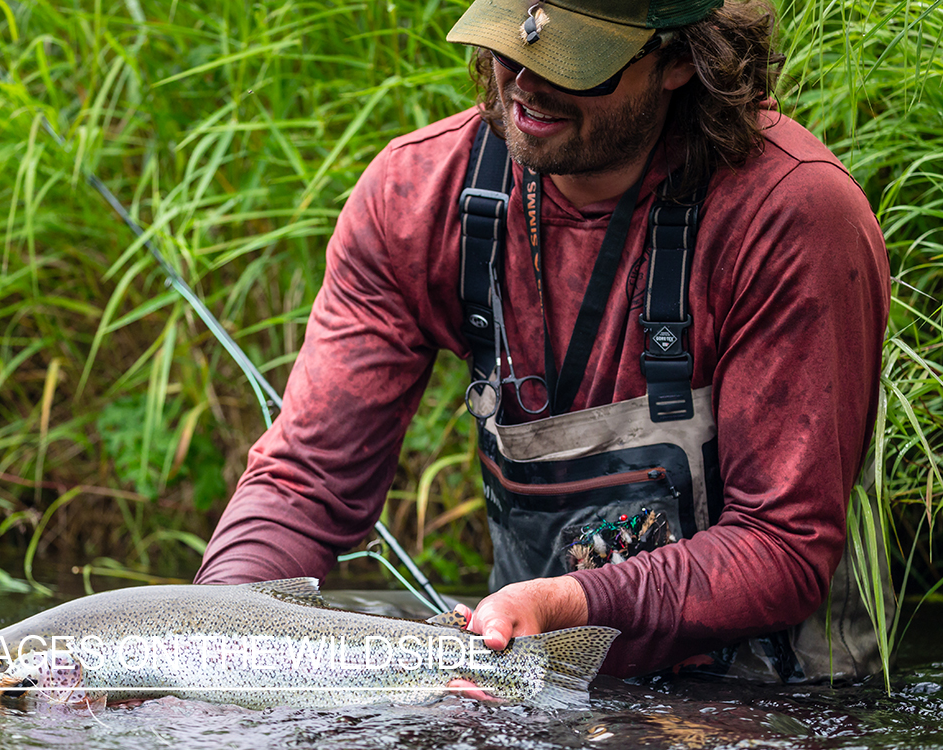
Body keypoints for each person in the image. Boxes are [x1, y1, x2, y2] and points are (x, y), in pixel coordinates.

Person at [194, 0, 890, 682]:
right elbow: (305, 481)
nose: (524, 83)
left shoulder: (793, 217)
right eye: (510, 43)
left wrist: (567, 603)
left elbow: (783, 546)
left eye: (576, 62)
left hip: (774, 695)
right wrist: (206, 633)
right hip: (524, 680)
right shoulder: (416, 197)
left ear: (678, 60)